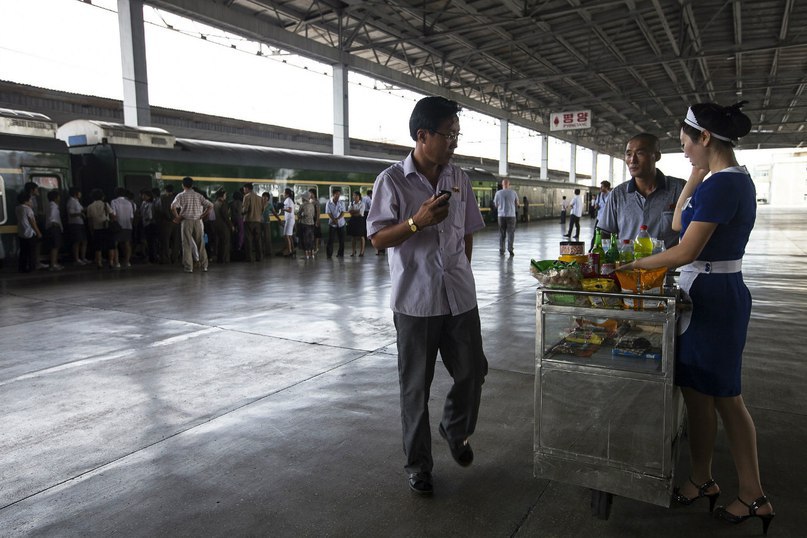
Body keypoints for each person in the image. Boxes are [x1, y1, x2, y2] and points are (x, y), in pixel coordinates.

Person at [619, 102, 774, 534]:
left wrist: (633, 268)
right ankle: (702, 478)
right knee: (696, 395)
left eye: (687, 142)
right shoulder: (714, 182)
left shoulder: (726, 186)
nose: (683, 150)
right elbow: (676, 219)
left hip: (716, 298)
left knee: (726, 397)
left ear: (705, 138)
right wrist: (695, 174)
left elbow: (685, 250)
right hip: (699, 295)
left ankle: (753, 493)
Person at [366, 96, 488, 496]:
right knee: (415, 388)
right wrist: (415, 223)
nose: (454, 142)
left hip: (459, 298)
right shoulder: (391, 181)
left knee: (473, 372)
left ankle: (454, 428)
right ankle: (419, 465)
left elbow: (466, 231)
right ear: (422, 135)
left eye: (457, 134)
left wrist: (462, 271)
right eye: (448, 134)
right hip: (416, 302)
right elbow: (378, 238)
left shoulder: (460, 178)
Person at [597, 133, 687, 249]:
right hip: (627, 265)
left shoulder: (678, 189)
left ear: (657, 156)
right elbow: (605, 232)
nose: (632, 160)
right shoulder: (618, 194)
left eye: (640, 153)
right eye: (628, 154)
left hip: (665, 267)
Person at [171, 176, 212, 273]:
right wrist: (202, 215)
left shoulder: (181, 195)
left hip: (186, 221)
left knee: (186, 244)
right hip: (198, 221)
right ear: (192, 185)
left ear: (183, 185)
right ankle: (204, 266)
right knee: (200, 244)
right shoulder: (198, 195)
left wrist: (177, 217)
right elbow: (210, 206)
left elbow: (172, 207)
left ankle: (189, 267)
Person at [85, 189, 117, 269]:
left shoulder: (89, 207)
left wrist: (91, 230)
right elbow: (112, 216)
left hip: (96, 229)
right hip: (107, 228)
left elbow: (90, 221)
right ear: (102, 196)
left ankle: (99, 263)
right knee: (111, 246)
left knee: (98, 248)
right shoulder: (105, 204)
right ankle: (111, 263)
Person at [15, 192, 41, 272]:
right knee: (31, 252)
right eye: (30, 200)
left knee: (23, 252)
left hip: (21, 233)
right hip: (30, 233)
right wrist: (38, 232)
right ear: (26, 201)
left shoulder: (18, 208)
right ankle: (32, 268)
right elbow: (32, 222)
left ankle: (22, 268)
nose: (31, 202)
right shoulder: (28, 209)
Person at [110, 187, 135, 268]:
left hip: (118, 226)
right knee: (127, 244)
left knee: (115, 244)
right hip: (128, 225)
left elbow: (113, 215)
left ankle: (117, 262)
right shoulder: (129, 203)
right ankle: (127, 262)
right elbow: (131, 217)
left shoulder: (114, 202)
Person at [493, 178, 517, 256]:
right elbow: (517, 203)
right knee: (511, 233)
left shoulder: (498, 193)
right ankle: (510, 249)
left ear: (502, 184)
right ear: (509, 185)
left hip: (501, 216)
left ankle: (502, 249)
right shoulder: (513, 193)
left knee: (502, 233)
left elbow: (496, 205)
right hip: (511, 216)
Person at [66, 187, 89, 265]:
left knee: (84, 241)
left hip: (80, 223)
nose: (81, 194)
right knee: (77, 242)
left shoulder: (76, 201)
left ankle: (83, 258)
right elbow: (71, 213)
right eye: (79, 192)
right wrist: (80, 214)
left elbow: (82, 209)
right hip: (75, 224)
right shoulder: (72, 201)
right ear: (76, 193)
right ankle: (77, 259)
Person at [241, 182, 263, 262]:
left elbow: (245, 209)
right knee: (258, 240)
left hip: (248, 221)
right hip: (258, 221)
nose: (244, 191)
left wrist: (241, 212)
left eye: (244, 189)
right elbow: (262, 209)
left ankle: (249, 258)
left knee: (248, 240)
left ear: (247, 189)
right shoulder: (259, 198)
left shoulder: (246, 197)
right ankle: (259, 257)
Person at [44, 190, 64, 271]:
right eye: (58, 196)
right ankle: (53, 264)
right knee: (55, 246)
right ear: (56, 197)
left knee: (54, 246)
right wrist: (56, 225)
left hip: (51, 228)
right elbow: (52, 218)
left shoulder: (50, 205)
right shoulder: (53, 206)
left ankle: (54, 263)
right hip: (54, 228)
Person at [214, 190, 234, 264]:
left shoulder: (215, 203)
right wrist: (231, 225)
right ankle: (224, 259)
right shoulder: (223, 203)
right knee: (225, 242)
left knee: (220, 243)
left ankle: (219, 258)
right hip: (223, 225)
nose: (226, 196)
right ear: (222, 195)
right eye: (225, 195)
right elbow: (225, 216)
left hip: (216, 225)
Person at [325, 188, 346, 259]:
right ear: (333, 194)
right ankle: (329, 254)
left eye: (339, 194)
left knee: (342, 240)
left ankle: (340, 253)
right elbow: (328, 212)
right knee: (331, 239)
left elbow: (343, 212)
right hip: (332, 223)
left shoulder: (341, 203)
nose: (338, 196)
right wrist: (334, 219)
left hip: (341, 223)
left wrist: (337, 219)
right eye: (336, 194)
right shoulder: (329, 202)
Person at [297, 191, 317, 259]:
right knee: (311, 239)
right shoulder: (312, 205)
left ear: (304, 198)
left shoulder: (302, 205)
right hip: (311, 224)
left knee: (305, 239)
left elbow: (299, 215)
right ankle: (312, 254)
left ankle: (307, 255)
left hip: (304, 224)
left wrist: (301, 215)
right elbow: (313, 215)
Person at [347, 190, 366, 257]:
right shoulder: (351, 203)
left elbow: (360, 213)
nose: (354, 197)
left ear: (359, 197)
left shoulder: (362, 204)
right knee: (353, 237)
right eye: (353, 195)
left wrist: (353, 212)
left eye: (356, 195)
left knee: (361, 236)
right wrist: (356, 211)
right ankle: (353, 251)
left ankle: (362, 251)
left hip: (360, 220)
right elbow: (349, 211)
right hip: (353, 220)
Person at [281, 187, 296, 257]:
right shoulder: (288, 200)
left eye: (284, 192)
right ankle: (292, 250)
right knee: (289, 236)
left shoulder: (288, 200)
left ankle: (289, 251)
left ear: (287, 194)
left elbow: (289, 210)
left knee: (287, 236)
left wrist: (282, 209)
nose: (283, 193)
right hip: (289, 219)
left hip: (290, 220)